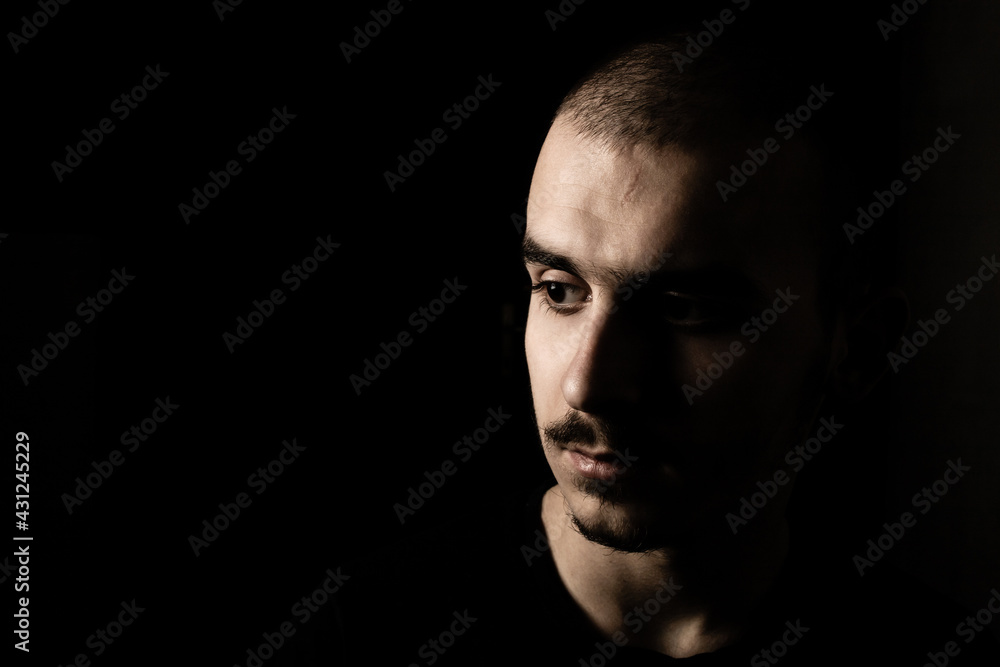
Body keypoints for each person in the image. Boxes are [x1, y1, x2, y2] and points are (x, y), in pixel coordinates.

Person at [291, 27, 1000, 667]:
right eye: (561, 289)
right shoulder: (366, 636)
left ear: (859, 349)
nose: (589, 385)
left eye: (683, 309)